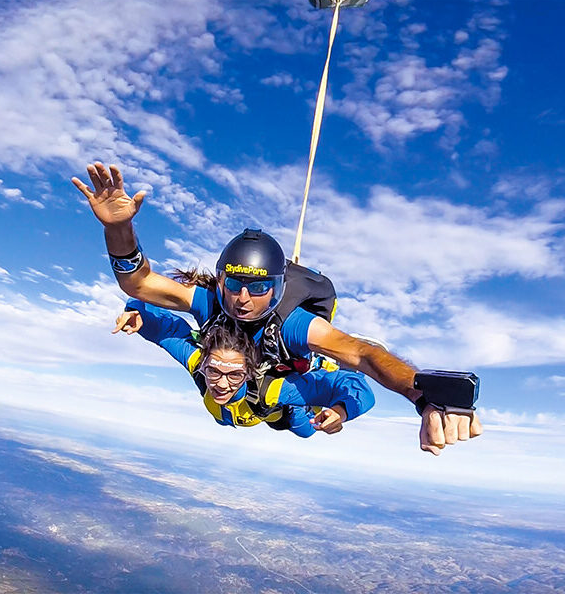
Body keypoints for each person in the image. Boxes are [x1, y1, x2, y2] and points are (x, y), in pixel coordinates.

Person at [72, 162, 483, 455]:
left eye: (260, 288)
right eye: (234, 284)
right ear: (221, 279)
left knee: (302, 425)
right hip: (248, 400)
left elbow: (363, 355)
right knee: (232, 410)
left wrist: (423, 394)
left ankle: (309, 393)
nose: (243, 299)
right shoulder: (208, 304)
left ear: (279, 288)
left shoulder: (294, 327)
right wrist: (118, 228)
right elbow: (140, 285)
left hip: (282, 391)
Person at [114, 301, 375, 437]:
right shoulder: (198, 363)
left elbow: (359, 390)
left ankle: (323, 364)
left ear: (248, 372)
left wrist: (341, 411)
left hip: (281, 411)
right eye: (214, 371)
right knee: (226, 415)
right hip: (247, 414)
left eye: (234, 374)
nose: (221, 383)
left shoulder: (274, 390)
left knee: (306, 430)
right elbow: (167, 331)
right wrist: (139, 316)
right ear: (205, 362)